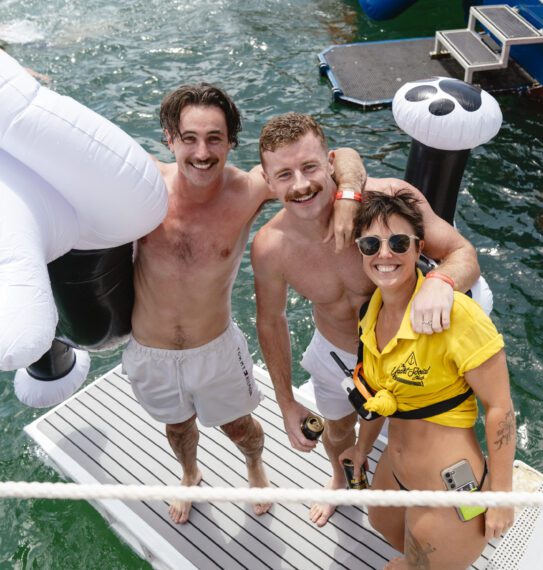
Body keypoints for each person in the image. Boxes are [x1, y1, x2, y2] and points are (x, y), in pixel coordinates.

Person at [122, 85, 364, 524]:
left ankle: (255, 470)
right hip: (149, 349)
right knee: (177, 427)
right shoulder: (143, 184)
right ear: (168, 138)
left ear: (231, 142)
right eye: (189, 138)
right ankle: (190, 475)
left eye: (215, 138)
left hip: (214, 347)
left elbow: (338, 156)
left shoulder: (250, 189)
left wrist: (347, 195)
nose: (201, 152)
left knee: (240, 428)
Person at [251, 113, 480, 526]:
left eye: (309, 167)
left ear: (331, 162)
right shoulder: (271, 247)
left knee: (426, 436)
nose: (301, 185)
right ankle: (340, 478)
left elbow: (463, 253)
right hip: (337, 353)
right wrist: (286, 402)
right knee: (337, 431)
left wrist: (439, 283)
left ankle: (447, 499)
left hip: (407, 353)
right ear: (269, 183)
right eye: (284, 174)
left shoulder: (390, 200)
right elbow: (271, 322)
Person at [339, 190, 515, 570]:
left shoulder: (458, 315)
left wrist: (501, 495)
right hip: (395, 471)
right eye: (372, 244)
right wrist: (361, 448)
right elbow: (377, 396)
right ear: (361, 252)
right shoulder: (370, 312)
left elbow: (500, 407)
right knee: (383, 525)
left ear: (419, 247)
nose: (385, 254)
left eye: (398, 242)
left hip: (449, 489)